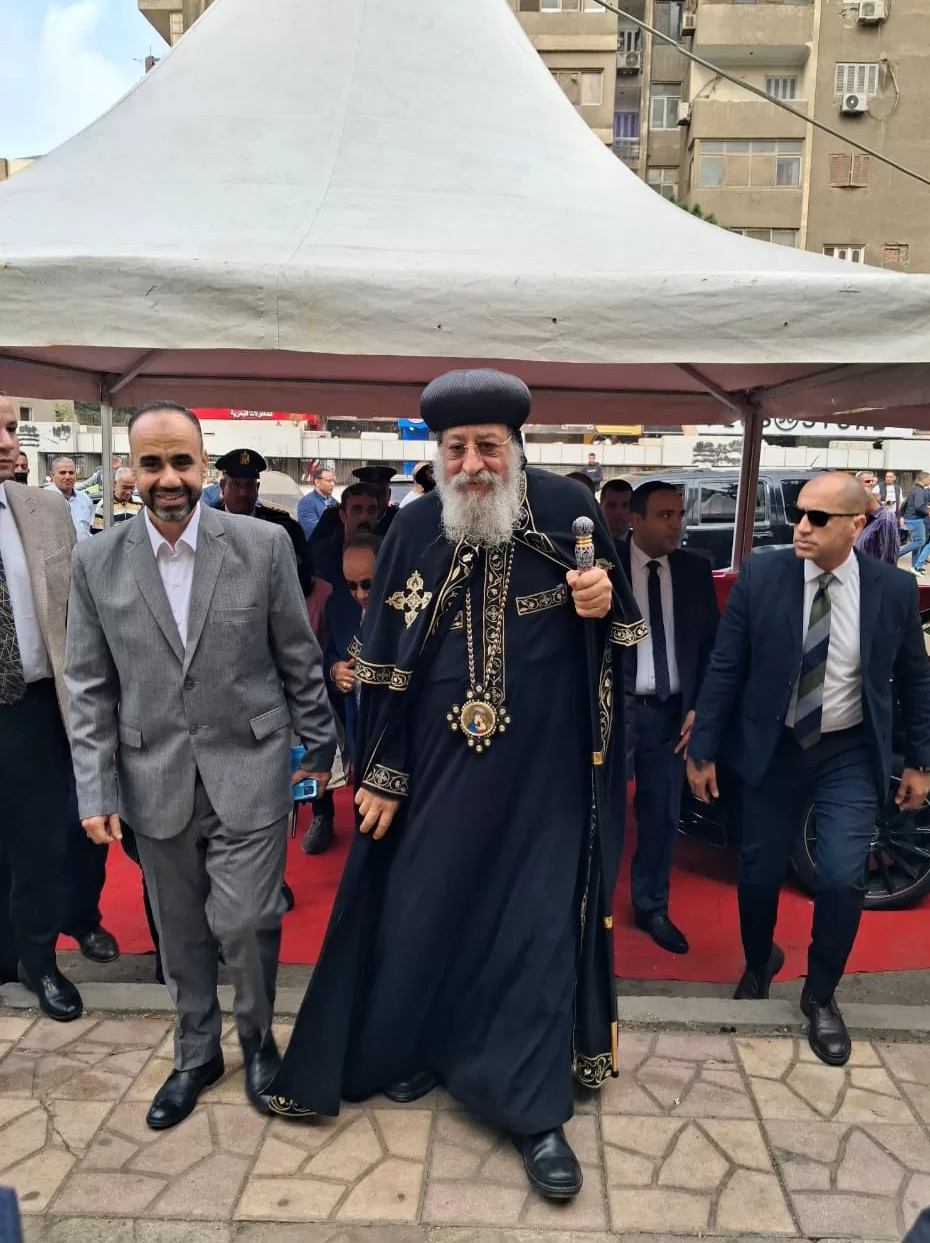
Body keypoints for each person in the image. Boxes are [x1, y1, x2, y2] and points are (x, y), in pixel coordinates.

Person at [269, 368, 645, 1202]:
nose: (473, 464)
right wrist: (381, 773)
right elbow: (381, 664)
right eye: (456, 448)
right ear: (438, 455)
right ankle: (424, 1049)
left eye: (488, 447)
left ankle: (532, 1111)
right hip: (437, 771)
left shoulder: (570, 512)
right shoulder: (413, 526)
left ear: (517, 446)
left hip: (544, 777)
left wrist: (601, 602)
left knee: (533, 930)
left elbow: (623, 636)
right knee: (424, 914)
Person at [65, 400, 338, 1130]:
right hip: (152, 775)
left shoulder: (262, 545)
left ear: (204, 465)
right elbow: (87, 684)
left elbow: (298, 657)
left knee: (247, 920)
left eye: (181, 462)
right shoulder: (97, 559)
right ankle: (196, 1054)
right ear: (129, 471)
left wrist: (320, 751)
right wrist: (95, 787)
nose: (168, 478)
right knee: (179, 933)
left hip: (251, 765)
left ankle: (257, 1039)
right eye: (151, 463)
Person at [687, 472, 930, 1067]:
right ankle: (758, 963)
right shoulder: (763, 575)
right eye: (800, 513)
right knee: (758, 871)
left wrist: (921, 761)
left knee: (843, 877)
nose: (801, 526)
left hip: (847, 750)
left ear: (856, 525)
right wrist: (702, 751)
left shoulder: (892, 589)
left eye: (818, 518)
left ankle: (820, 996)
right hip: (772, 748)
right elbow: (725, 667)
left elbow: (914, 678)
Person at [0, 397, 84, 1021]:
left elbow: (77, 612)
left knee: (39, 843)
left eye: (10, 427)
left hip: (33, 708)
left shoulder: (45, 509)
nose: (9, 442)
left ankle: (37, 958)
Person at [622, 481, 720, 954]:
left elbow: (711, 648)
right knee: (598, 813)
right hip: (616, 712)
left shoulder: (693, 571)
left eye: (679, 515)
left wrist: (700, 706)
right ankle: (586, 908)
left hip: (670, 716)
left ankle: (651, 906)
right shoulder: (606, 569)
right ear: (635, 520)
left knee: (661, 816)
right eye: (664, 516)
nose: (676, 525)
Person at [301, 533, 382, 855]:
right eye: (352, 585)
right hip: (358, 724)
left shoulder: (413, 608)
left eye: (368, 584)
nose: (360, 594)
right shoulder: (338, 606)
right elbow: (330, 655)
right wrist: (335, 670)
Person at [213, 448, 313, 596]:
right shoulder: (207, 525)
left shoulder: (284, 529)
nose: (243, 493)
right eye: (236, 485)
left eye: (249, 486)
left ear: (257, 488)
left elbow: (301, 582)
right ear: (222, 486)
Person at [307, 483, 379, 588]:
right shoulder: (320, 554)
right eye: (357, 510)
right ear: (343, 515)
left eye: (371, 510)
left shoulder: (387, 553)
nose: (365, 517)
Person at [854, 470, 901, 567]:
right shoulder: (861, 515)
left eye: (873, 481)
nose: (871, 484)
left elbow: (888, 558)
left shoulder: (885, 520)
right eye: (868, 481)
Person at [48, 457, 94, 541]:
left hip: (83, 548)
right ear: (52, 475)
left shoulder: (85, 499)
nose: (67, 477)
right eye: (62, 473)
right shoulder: (43, 498)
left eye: (71, 473)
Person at [91, 467, 141, 533]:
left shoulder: (140, 503)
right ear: (114, 484)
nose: (128, 492)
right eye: (125, 487)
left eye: (132, 488)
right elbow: (98, 533)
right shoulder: (104, 505)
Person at [898, 473, 930, 569]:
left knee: (917, 543)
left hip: (912, 518)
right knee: (920, 541)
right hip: (915, 520)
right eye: (929, 479)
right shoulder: (919, 491)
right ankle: (895, 555)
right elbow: (918, 506)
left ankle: (915, 566)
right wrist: (928, 512)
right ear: (924, 479)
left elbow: (906, 503)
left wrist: (902, 515)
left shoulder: (915, 489)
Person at [297, 465, 338, 539]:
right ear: (317, 482)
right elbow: (314, 530)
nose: (332, 484)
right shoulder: (306, 503)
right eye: (329, 481)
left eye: (333, 481)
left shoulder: (334, 502)